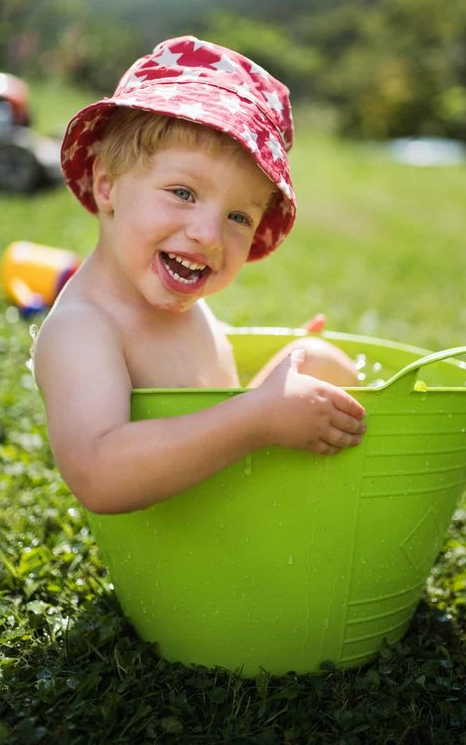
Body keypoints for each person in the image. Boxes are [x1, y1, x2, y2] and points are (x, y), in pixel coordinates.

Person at [33, 36, 366, 514]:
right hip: (180, 551)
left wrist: (279, 369)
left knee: (315, 359)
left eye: (238, 217)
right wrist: (259, 417)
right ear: (107, 184)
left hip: (230, 498)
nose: (209, 235)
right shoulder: (83, 328)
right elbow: (98, 473)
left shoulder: (174, 298)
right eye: (183, 193)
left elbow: (202, 380)